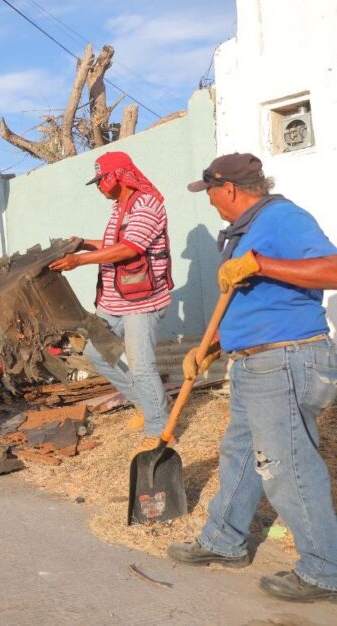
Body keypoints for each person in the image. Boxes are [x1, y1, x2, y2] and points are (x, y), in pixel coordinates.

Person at [166, 153, 337, 603]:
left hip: (286, 358)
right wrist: (208, 351)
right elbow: (249, 304)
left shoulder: (282, 217)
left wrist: (261, 264)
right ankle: (224, 540)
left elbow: (333, 269)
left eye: (211, 194)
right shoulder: (243, 233)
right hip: (253, 361)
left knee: (288, 466)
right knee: (241, 454)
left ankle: (325, 570)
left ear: (230, 189)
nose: (210, 204)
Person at [49, 151, 173, 449]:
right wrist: (83, 243)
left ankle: (159, 431)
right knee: (95, 353)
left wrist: (80, 261)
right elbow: (114, 244)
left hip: (142, 301)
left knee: (142, 366)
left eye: (102, 179)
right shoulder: (121, 208)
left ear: (119, 175)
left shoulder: (146, 204)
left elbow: (130, 249)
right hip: (115, 301)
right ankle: (147, 403)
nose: (99, 186)